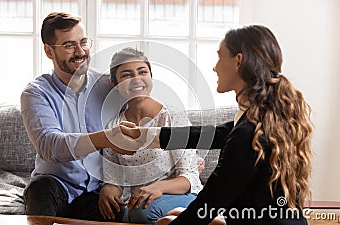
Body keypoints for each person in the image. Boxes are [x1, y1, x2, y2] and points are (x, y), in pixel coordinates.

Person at [120, 25, 313, 225]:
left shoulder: (247, 134)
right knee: (173, 215)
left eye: (220, 56)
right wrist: (145, 136)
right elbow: (213, 133)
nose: (215, 67)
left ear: (238, 61)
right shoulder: (264, 119)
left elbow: (210, 203)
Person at [20, 12, 135, 221]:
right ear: (48, 51)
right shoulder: (36, 93)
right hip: (55, 185)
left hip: (97, 192)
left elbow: (143, 114)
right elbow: (49, 146)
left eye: (83, 42)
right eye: (69, 46)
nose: (80, 52)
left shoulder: (107, 85)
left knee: (119, 214)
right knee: (40, 188)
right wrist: (106, 137)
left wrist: (112, 184)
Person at [98, 47, 203, 224]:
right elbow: (113, 179)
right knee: (114, 214)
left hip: (180, 196)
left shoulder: (172, 118)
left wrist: (157, 188)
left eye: (142, 72)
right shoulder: (114, 127)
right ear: (114, 83)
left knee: (141, 213)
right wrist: (108, 190)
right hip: (141, 202)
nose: (136, 79)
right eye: (126, 75)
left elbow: (189, 177)